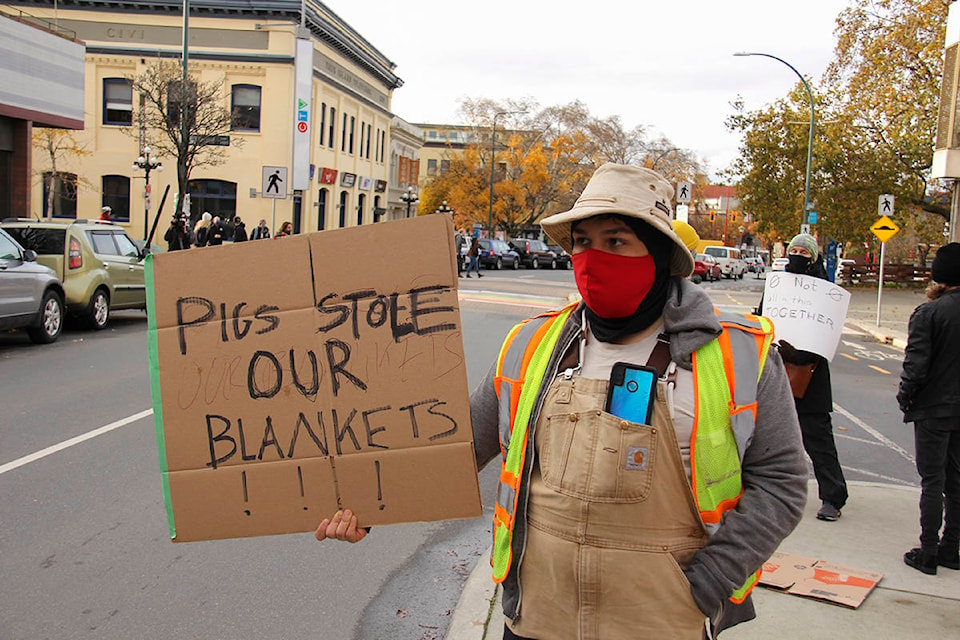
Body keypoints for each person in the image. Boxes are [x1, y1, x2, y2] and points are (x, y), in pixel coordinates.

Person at [315, 164, 807, 639]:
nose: (593, 259)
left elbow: (782, 483)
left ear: (657, 255)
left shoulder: (740, 353)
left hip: (663, 619)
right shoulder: (531, 344)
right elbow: (457, 452)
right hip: (537, 618)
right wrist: (373, 504)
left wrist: (710, 583)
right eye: (582, 242)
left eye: (615, 241)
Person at [775, 233, 849, 523]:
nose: (797, 255)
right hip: (775, 370)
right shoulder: (778, 286)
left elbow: (825, 333)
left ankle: (833, 496)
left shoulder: (825, 291)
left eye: (804, 252)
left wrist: (800, 355)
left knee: (818, 439)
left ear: (814, 257)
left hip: (810, 376)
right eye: (793, 250)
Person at [897, 242, 960, 575]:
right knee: (957, 481)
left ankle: (929, 549)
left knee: (932, 480)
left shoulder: (929, 314)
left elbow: (916, 367)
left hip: (934, 408)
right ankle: (952, 548)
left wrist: (906, 396)